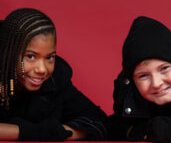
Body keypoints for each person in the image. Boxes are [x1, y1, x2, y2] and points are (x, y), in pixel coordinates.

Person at [0, 8, 107, 141]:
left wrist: (58, 133)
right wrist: (34, 132)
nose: (42, 69)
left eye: (49, 57)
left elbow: (97, 120)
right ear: (8, 54)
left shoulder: (55, 79)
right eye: (31, 56)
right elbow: (38, 133)